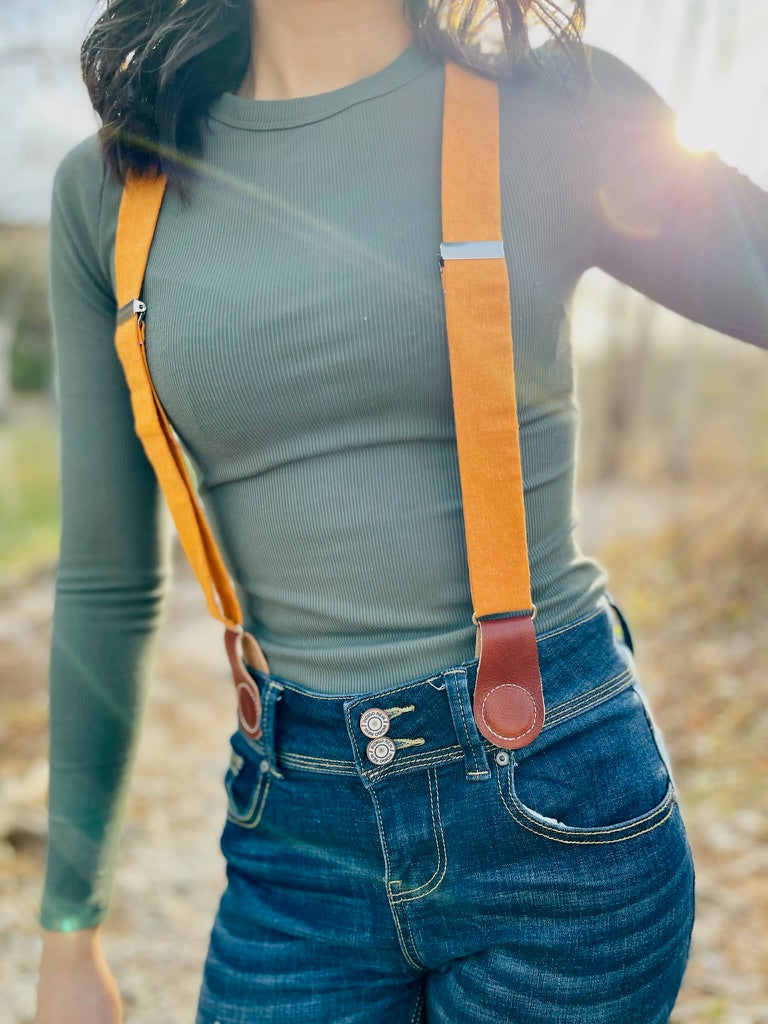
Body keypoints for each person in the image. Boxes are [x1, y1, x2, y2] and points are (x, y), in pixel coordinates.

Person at [34, 1, 768, 1022]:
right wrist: (70, 929)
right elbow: (107, 577)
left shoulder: (555, 107)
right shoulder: (111, 189)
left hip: (561, 827)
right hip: (294, 844)